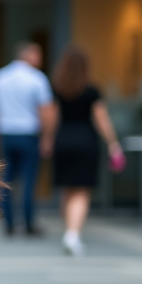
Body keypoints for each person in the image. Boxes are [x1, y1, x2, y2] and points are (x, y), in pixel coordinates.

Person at [51, 46, 124, 256]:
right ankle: (73, 235)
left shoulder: (57, 89)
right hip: (85, 142)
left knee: (66, 190)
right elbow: (102, 120)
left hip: (63, 141)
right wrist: (113, 144)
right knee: (81, 192)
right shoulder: (92, 90)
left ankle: (69, 230)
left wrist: (47, 140)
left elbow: (52, 118)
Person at [0, 41, 56, 236]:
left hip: (7, 133)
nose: (40, 59)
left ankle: (8, 222)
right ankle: (28, 223)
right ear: (29, 56)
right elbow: (45, 111)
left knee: (7, 178)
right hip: (28, 133)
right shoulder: (37, 79)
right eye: (38, 54)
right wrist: (47, 138)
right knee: (29, 179)